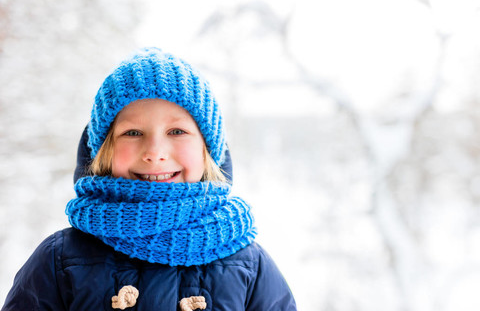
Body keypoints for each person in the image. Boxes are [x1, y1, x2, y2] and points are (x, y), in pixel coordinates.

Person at [2, 47, 297, 310]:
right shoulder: (59, 261)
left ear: (208, 149)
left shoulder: (250, 266)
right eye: (133, 133)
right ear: (105, 149)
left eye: (177, 132)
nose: (155, 152)